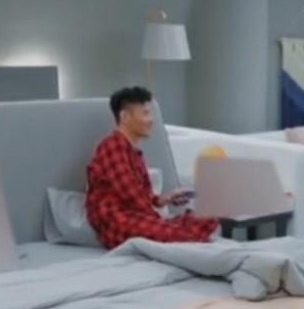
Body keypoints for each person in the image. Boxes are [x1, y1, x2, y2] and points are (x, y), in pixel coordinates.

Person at [85, 86, 219, 248]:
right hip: (117, 219)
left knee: (208, 218)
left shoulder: (134, 152)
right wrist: (161, 220)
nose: (151, 120)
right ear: (124, 117)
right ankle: (180, 232)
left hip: (137, 214)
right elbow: (130, 193)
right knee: (179, 233)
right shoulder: (112, 145)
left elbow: (140, 194)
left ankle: (179, 230)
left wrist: (163, 199)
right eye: (145, 113)